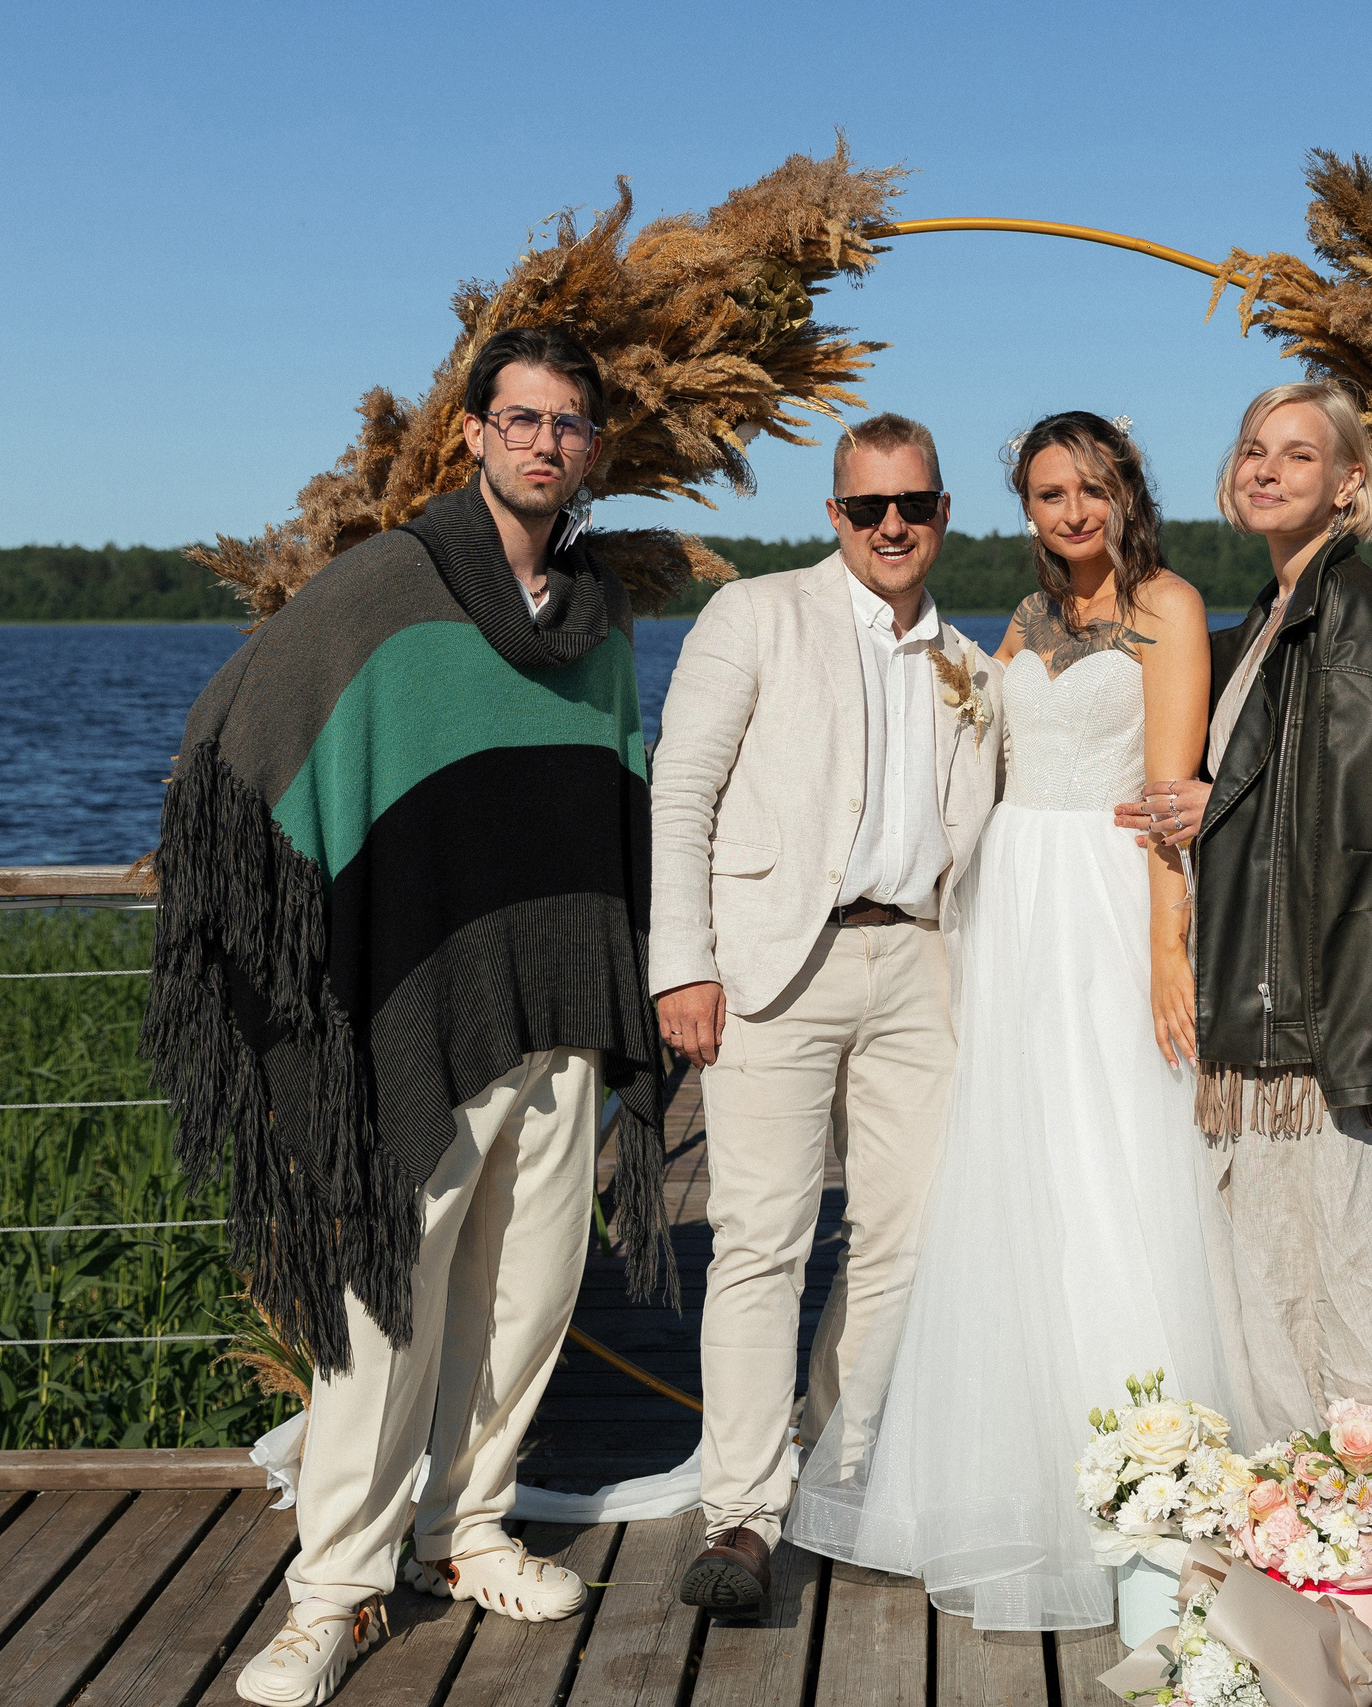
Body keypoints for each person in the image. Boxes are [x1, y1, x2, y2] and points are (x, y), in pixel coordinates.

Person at [144, 325, 672, 1706]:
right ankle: (335, 1591)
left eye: (570, 422)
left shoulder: (602, 616)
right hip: (423, 998)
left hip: (566, 994)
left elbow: (618, 796)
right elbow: (241, 729)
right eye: (523, 417)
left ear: (592, 449)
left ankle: (467, 1530)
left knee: (530, 1293)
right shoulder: (387, 583)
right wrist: (243, 887)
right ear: (474, 432)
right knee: (386, 1302)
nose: (546, 442)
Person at [788, 411, 1235, 1631]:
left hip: (1102, 902)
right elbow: (974, 754)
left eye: (1090, 488)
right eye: (1047, 494)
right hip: (1007, 908)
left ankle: (1140, 1476)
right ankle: (1000, 1464)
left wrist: (1166, 949)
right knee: (1008, 1172)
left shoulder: (1169, 607)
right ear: (1025, 510)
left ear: (1126, 493)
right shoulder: (1027, 621)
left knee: (1110, 1163)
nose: (1071, 511)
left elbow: (1167, 797)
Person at [1116, 380, 1372, 1531]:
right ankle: (1326, 1508)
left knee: (1349, 1272)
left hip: (1315, 1009)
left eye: (1297, 455)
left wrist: (1216, 807)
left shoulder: (1349, 610)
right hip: (1283, 991)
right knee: (1299, 1272)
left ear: (1349, 484)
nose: (1265, 469)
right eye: (1253, 448)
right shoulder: (1275, 612)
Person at [649, 413, 1006, 1616]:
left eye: (912, 505)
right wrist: (681, 963)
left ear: (942, 513)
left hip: (921, 964)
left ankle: (840, 1480)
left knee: (906, 1237)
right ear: (834, 514)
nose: (891, 526)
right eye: (867, 508)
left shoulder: (972, 665)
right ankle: (743, 1516)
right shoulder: (754, 614)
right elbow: (681, 788)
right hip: (772, 965)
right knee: (761, 1237)